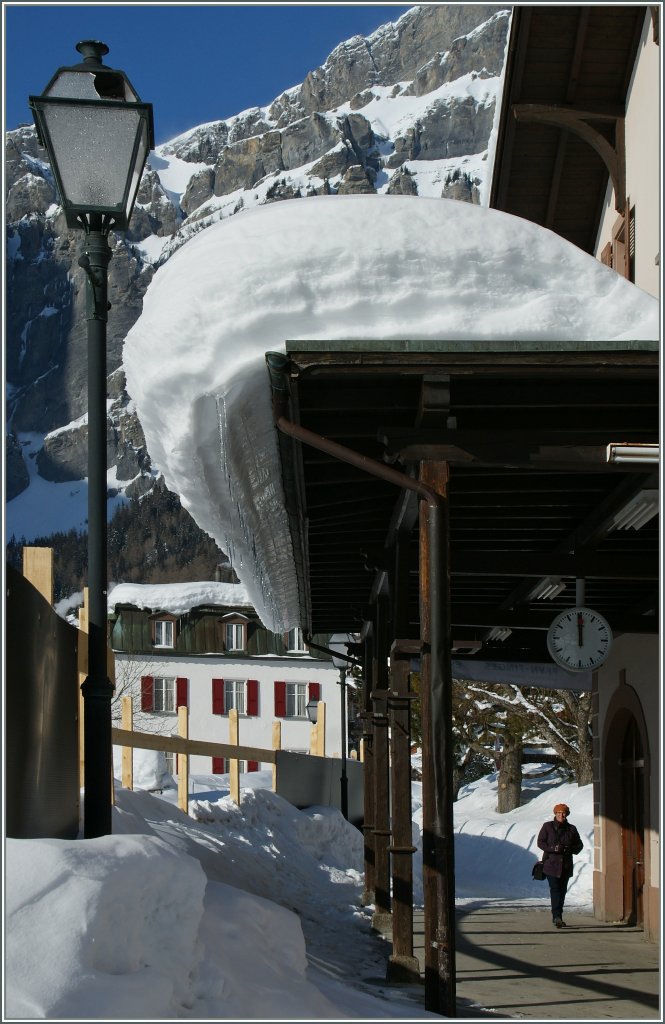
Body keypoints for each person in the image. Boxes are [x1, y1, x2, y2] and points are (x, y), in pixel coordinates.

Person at [537, 803, 583, 928]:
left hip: (566, 866)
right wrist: (553, 848)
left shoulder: (572, 829)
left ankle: (558, 915)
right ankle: (557, 916)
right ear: (555, 814)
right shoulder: (547, 826)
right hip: (551, 864)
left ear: (566, 814)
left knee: (562, 891)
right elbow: (540, 842)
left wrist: (569, 849)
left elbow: (579, 845)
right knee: (555, 889)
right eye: (558, 813)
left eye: (563, 813)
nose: (561, 815)